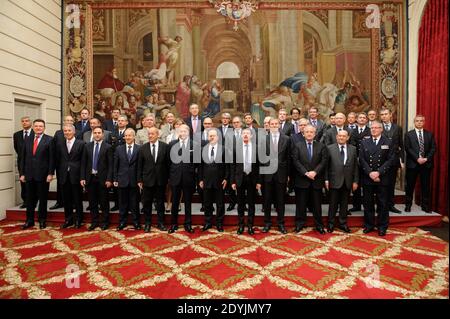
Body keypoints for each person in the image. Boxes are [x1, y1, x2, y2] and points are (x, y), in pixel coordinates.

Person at [359, 121, 396, 236]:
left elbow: (390, 160)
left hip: (382, 178)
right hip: (368, 177)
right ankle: (369, 225)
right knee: (368, 203)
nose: (373, 130)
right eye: (372, 128)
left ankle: (382, 226)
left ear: (381, 129)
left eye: (376, 128)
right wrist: (370, 173)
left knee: (383, 203)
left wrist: (378, 173)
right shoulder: (364, 142)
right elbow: (362, 160)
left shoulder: (388, 142)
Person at [291, 125, 328, 234]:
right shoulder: (298, 146)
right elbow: (296, 161)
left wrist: (315, 172)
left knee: (317, 205)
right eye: (307, 132)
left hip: (316, 180)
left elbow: (324, 161)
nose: (309, 133)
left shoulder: (321, 146)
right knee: (300, 204)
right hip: (302, 180)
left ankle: (319, 225)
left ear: (315, 133)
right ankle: (299, 224)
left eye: (311, 132)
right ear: (303, 133)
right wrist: (306, 173)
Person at [19, 119, 54, 229]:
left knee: (43, 199)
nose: (38, 128)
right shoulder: (27, 139)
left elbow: (52, 159)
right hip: (29, 175)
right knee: (29, 199)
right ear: (33, 127)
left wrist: (50, 173)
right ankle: (29, 221)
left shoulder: (49, 140)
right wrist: (22, 173)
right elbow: (22, 158)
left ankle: (42, 220)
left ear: (44, 128)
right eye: (36, 126)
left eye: (41, 126)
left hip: (43, 175)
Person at [325, 130, 359, 233]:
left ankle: (342, 223)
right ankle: (330, 224)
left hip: (347, 181)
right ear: (336, 137)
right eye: (339, 136)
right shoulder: (329, 148)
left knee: (344, 205)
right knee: (333, 204)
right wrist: (326, 179)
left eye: (344, 136)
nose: (341, 138)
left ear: (347, 137)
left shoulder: (353, 149)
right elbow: (326, 166)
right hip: (334, 180)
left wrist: (355, 181)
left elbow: (356, 167)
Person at [80, 127, 113, 231]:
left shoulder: (108, 147)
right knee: (92, 202)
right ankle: (94, 222)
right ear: (93, 134)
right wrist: (82, 177)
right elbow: (83, 163)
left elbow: (110, 165)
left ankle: (105, 222)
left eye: (99, 133)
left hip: (103, 179)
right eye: (95, 133)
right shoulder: (87, 146)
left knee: (104, 202)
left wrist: (109, 179)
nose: (97, 135)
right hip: (90, 178)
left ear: (103, 134)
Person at [137, 127, 170, 232]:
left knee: (160, 203)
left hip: (161, 180)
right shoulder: (143, 148)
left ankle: (161, 223)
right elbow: (139, 166)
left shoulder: (165, 147)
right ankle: (147, 223)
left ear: (157, 135)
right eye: (149, 134)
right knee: (147, 203)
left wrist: (168, 178)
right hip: (147, 180)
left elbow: (168, 164)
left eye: (152, 134)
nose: (150, 136)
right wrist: (139, 180)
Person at [261, 119, 290, 234]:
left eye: (275, 124)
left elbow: (289, 159)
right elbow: (261, 159)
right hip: (267, 174)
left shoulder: (287, 139)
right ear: (268, 126)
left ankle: (281, 223)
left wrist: (288, 175)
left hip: (281, 174)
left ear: (279, 125)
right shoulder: (264, 139)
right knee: (267, 200)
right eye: (271, 124)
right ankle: (267, 223)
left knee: (280, 200)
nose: (273, 126)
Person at [168, 124, 198, 233]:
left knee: (188, 202)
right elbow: (168, 162)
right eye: (180, 131)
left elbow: (196, 163)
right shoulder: (172, 144)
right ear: (178, 133)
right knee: (175, 202)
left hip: (188, 177)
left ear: (188, 132)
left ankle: (188, 224)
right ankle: (173, 224)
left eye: (185, 131)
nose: (182, 133)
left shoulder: (194, 145)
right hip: (175, 177)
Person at [231, 128, 261, 235]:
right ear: (241, 136)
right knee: (240, 204)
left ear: (251, 136)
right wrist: (233, 181)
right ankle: (241, 225)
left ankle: (250, 225)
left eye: (248, 133)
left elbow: (259, 166)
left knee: (251, 204)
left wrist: (259, 181)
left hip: (252, 179)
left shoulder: (257, 148)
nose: (245, 135)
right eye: (244, 133)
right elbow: (233, 166)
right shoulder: (236, 148)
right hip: (240, 178)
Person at [404, 115, 437, 213]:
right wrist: (417, 158)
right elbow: (408, 148)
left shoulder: (429, 134)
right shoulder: (408, 134)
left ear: (424, 122)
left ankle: (425, 205)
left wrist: (426, 158)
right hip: (412, 164)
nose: (419, 122)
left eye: (421, 121)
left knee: (425, 186)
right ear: (414, 122)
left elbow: (433, 148)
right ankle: (408, 205)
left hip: (426, 164)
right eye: (417, 121)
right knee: (410, 186)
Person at [199, 129, 229, 232]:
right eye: (210, 136)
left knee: (220, 203)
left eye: (213, 136)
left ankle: (219, 223)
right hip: (206, 180)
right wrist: (200, 179)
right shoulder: (203, 149)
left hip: (219, 181)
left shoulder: (224, 149)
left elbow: (227, 166)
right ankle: (208, 222)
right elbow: (200, 166)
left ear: (218, 137)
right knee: (207, 203)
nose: (211, 137)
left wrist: (226, 178)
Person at [55, 124, 85, 229]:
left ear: (74, 132)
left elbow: (83, 162)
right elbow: (57, 160)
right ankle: (68, 219)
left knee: (77, 199)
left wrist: (82, 177)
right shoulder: (60, 144)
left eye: (69, 131)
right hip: (63, 175)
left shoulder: (81, 144)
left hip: (76, 176)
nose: (67, 132)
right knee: (66, 200)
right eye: (65, 131)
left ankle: (78, 220)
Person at [114, 128, 141, 231]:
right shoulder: (119, 149)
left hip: (134, 180)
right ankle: (122, 222)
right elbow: (115, 165)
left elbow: (140, 166)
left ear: (134, 137)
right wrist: (115, 179)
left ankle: (136, 222)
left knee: (134, 203)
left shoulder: (139, 148)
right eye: (126, 136)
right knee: (122, 203)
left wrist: (140, 180)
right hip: (122, 180)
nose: (128, 137)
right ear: (124, 137)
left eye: (130, 135)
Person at [380, 108, 404, 214]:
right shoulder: (377, 127)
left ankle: (390, 205)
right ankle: (381, 206)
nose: (384, 116)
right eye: (382, 114)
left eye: (386, 114)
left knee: (391, 183)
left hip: (394, 161)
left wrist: (402, 160)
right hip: (381, 161)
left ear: (390, 115)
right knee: (381, 185)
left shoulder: (397, 128)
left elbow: (401, 144)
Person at [51, 115, 76, 211]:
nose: (69, 122)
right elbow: (54, 147)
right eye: (67, 120)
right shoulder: (58, 133)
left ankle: (73, 202)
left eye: (71, 120)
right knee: (60, 183)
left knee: (73, 184)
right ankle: (59, 202)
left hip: (73, 164)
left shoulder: (77, 132)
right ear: (64, 122)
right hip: (60, 163)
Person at [349, 112, 371, 212]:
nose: (362, 119)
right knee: (355, 183)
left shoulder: (370, 131)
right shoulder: (352, 131)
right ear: (356, 120)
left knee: (366, 184)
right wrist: (356, 157)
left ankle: (367, 205)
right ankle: (356, 205)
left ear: (366, 120)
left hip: (367, 161)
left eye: (364, 118)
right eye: (360, 117)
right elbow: (351, 145)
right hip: (355, 160)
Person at [13, 116, 34, 208]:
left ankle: (34, 200)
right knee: (23, 182)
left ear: (31, 122)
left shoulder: (35, 133)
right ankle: (25, 201)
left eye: (26, 121)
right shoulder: (16, 135)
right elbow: (17, 148)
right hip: (22, 163)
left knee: (33, 182)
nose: (24, 122)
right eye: (23, 121)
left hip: (34, 163)